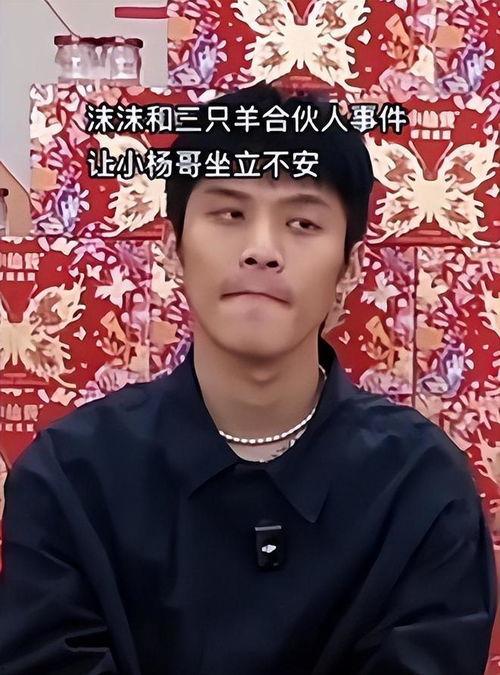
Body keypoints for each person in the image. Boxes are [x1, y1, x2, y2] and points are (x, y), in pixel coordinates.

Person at [0, 83, 496, 675]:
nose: (262, 250)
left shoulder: (421, 486)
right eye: (230, 214)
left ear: (350, 266)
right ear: (172, 248)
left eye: (303, 222)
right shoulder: (68, 478)